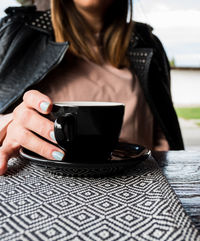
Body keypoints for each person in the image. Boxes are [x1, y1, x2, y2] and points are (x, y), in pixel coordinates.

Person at [0, 0, 184, 175]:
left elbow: (164, 139)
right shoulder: (17, 32)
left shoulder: (148, 44)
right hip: (41, 186)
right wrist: (9, 123)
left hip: (138, 186)